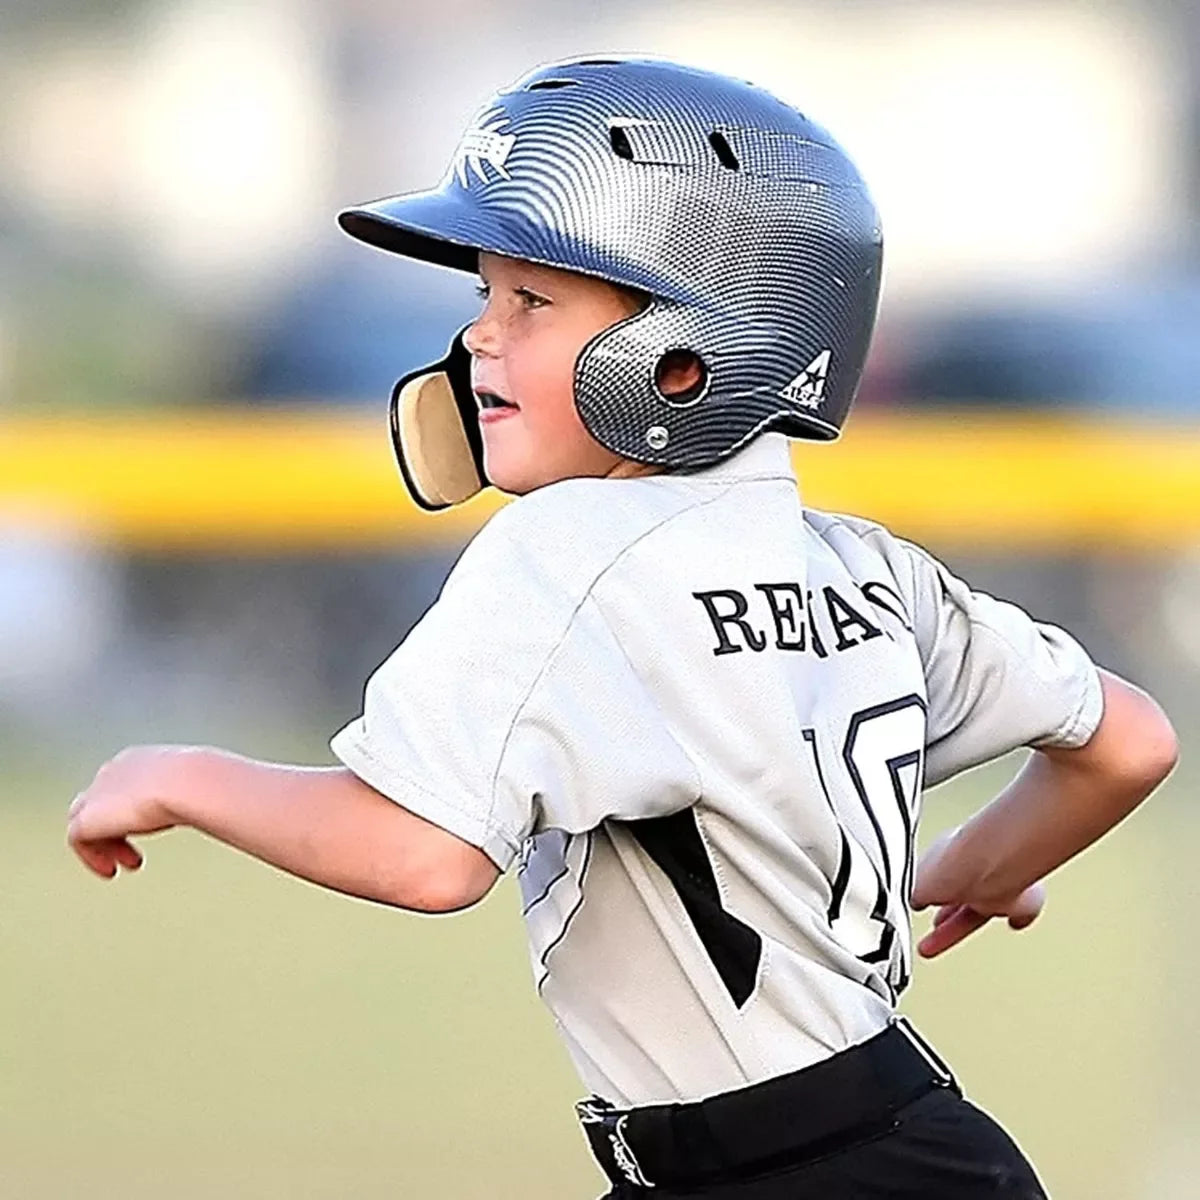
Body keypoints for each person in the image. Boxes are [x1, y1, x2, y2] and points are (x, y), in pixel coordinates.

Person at [67, 57, 1179, 1198]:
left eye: (532, 303)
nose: (481, 341)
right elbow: (1128, 739)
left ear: (691, 355)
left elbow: (423, 854)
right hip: (927, 1150)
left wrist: (184, 774)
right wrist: (981, 865)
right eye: (482, 297)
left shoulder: (572, 554)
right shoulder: (871, 567)